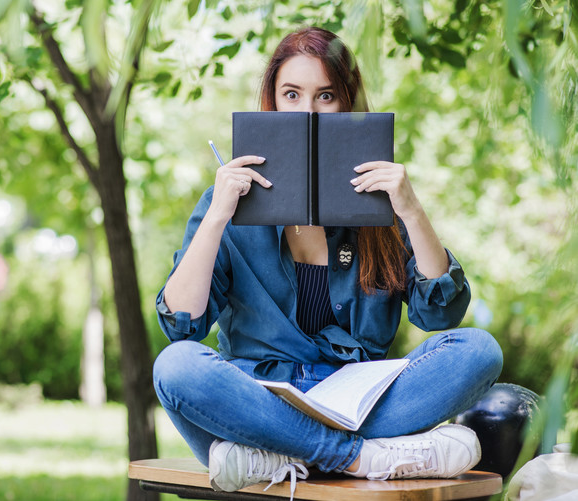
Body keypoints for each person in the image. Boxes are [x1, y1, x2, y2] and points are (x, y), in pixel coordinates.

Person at [153, 26, 503, 499]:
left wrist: (411, 210)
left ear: (348, 104)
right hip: (258, 399)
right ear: (272, 103)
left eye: (326, 96)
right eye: (292, 94)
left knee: (479, 350)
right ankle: (359, 458)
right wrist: (218, 215)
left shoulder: (379, 203)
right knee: (175, 367)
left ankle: (277, 457)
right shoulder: (227, 203)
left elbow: (440, 313)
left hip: (360, 400)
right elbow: (182, 327)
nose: (308, 112)